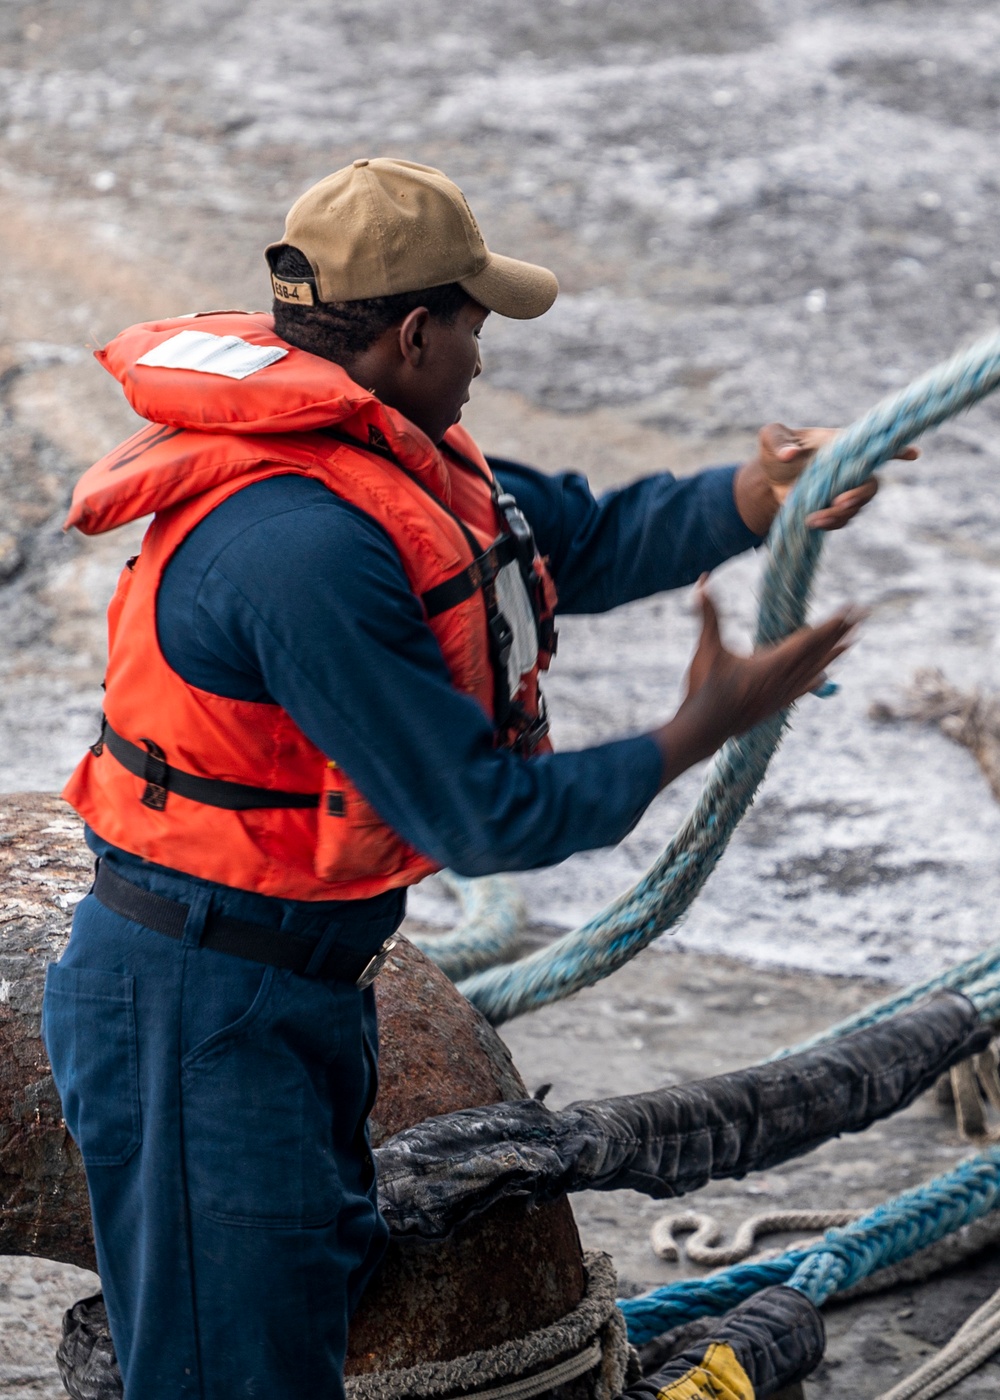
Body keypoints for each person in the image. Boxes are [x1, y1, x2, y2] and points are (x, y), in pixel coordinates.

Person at [41, 158, 909, 1400]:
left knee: (296, 1321)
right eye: (474, 327)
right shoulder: (304, 547)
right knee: (229, 1374)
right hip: (196, 1010)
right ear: (411, 331)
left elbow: (582, 538)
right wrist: (694, 729)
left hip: (288, 988)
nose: (483, 360)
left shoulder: (393, 465)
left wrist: (761, 492)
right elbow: (481, 815)